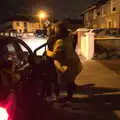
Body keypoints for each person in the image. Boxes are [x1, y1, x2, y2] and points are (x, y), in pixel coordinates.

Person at [46, 21, 82, 101]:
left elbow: (55, 55)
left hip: (66, 64)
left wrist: (48, 52)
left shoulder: (60, 41)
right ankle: (70, 95)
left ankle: (64, 97)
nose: (54, 30)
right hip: (73, 62)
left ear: (58, 30)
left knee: (62, 80)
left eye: (55, 29)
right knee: (70, 80)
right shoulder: (68, 37)